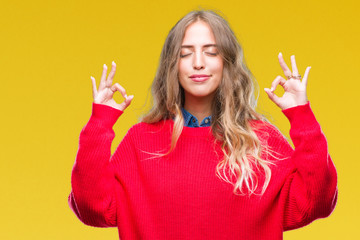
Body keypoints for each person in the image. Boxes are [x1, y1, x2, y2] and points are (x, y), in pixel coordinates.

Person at [68, 9, 338, 240]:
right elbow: (92, 208)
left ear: (227, 63)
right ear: (172, 65)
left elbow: (317, 202)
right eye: (186, 54)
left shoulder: (261, 141)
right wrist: (99, 122)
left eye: (211, 52)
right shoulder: (141, 141)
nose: (198, 63)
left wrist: (301, 114)